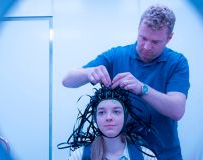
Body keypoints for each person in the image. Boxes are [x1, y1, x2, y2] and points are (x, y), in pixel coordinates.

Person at [62, 4, 190, 160]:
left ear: (169, 38)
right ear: (138, 29)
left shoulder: (177, 62)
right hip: (124, 153)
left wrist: (142, 89)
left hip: (164, 153)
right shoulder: (117, 55)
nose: (146, 46)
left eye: (155, 42)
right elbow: (68, 80)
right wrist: (88, 72)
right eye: (143, 38)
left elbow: (177, 110)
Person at [58, 87, 157, 160]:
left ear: (126, 117)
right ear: (95, 118)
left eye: (116, 111)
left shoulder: (146, 156)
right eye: (101, 112)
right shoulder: (79, 156)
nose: (109, 118)